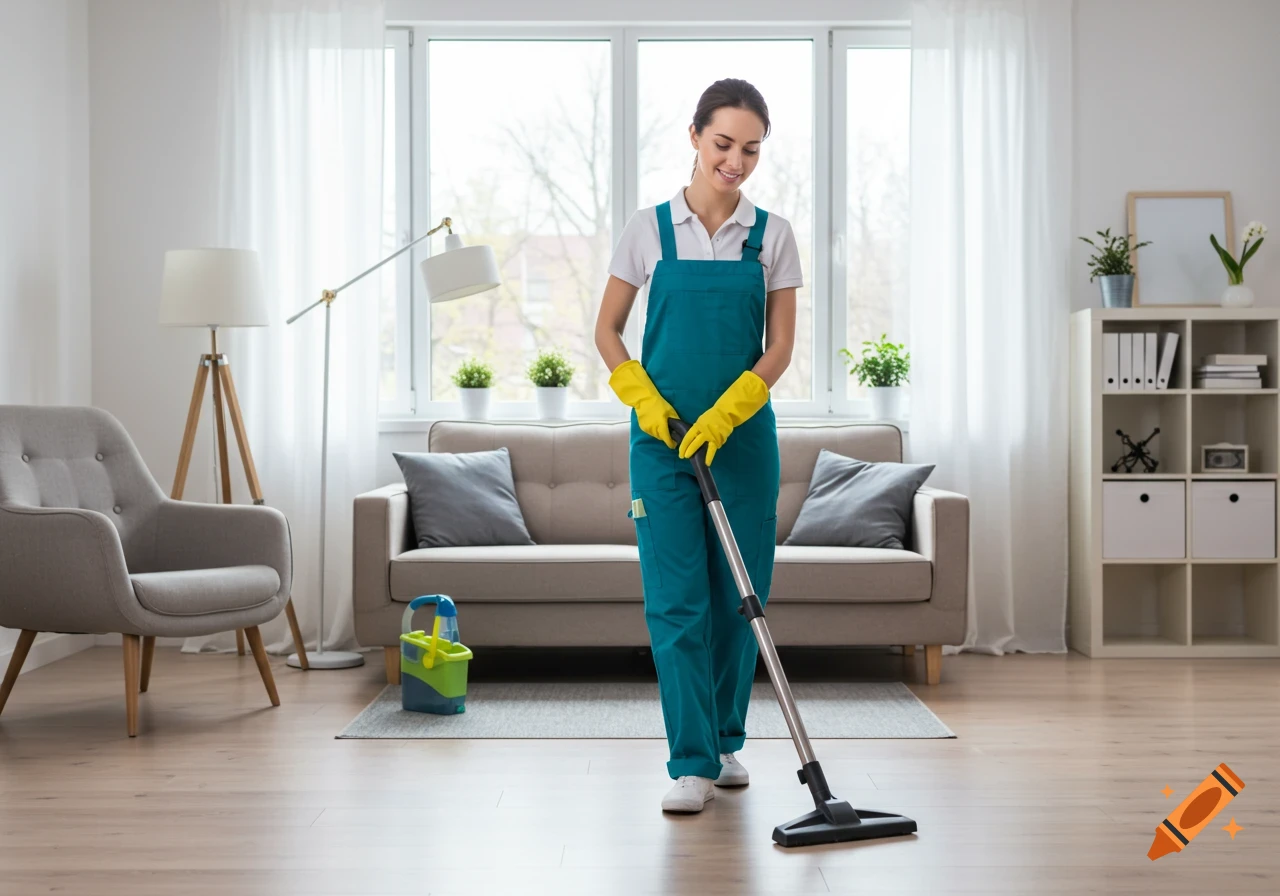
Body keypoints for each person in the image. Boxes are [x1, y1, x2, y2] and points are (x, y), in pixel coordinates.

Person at [594, 78, 802, 814]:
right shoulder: (647, 229)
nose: (735, 162)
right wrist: (645, 399)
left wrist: (732, 408)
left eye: (750, 149)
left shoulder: (770, 234)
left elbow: (778, 349)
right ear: (693, 136)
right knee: (676, 602)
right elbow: (607, 331)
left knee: (741, 598)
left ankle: (723, 739)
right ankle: (689, 761)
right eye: (723, 144)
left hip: (742, 442)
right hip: (662, 443)